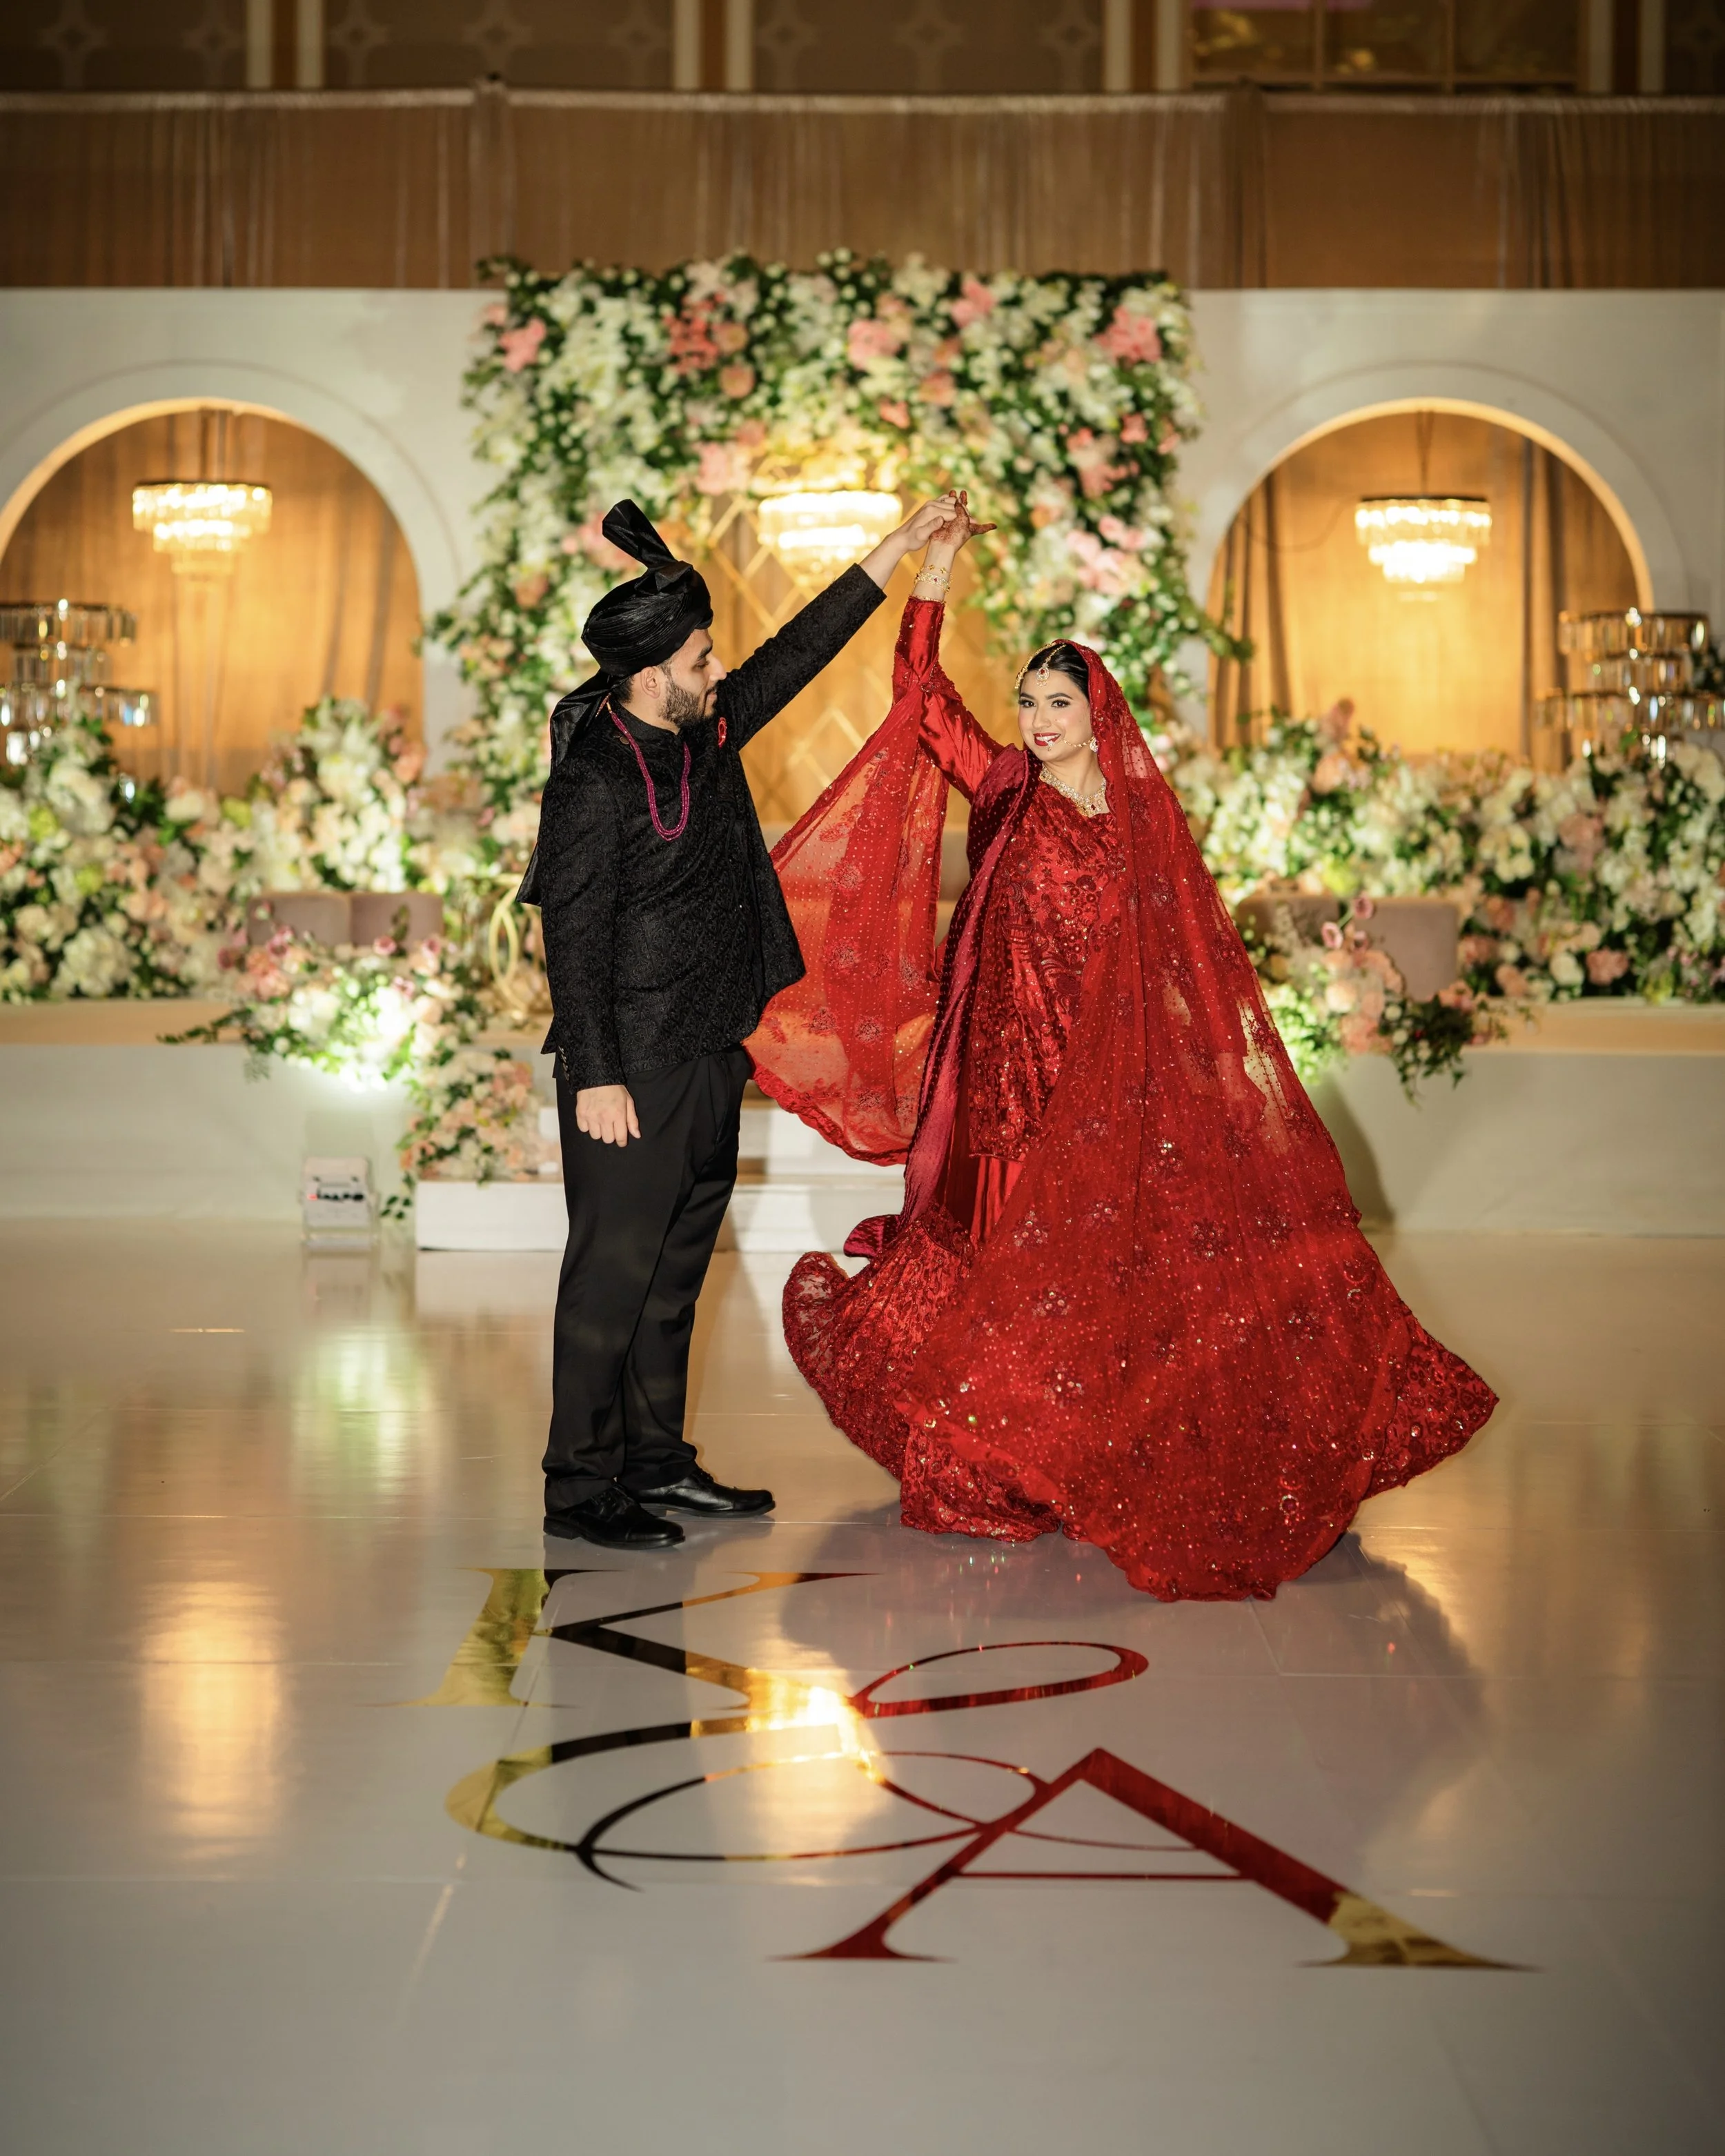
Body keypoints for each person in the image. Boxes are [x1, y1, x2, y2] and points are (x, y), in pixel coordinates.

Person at [749, 498, 1497, 1600]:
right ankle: (1001, 1462)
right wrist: (932, 573)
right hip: (1000, 1093)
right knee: (996, 1276)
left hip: (1098, 1104)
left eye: (1060, 703)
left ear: (1101, 715)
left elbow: (1187, 969)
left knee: (1095, 1288)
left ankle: (1086, 1453)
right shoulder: (1005, 789)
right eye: (1030, 702)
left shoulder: (1143, 827)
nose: (1040, 719)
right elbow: (919, 697)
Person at [522, 493, 960, 1551]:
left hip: (713, 1047)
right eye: (703, 658)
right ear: (650, 670)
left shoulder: (705, 730)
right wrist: (594, 1073)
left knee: (675, 1275)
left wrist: (894, 554)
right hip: (629, 1067)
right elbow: (572, 937)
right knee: (608, 1280)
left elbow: (796, 655)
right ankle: (581, 1489)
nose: (720, 669)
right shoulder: (592, 780)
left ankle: (656, 1462)